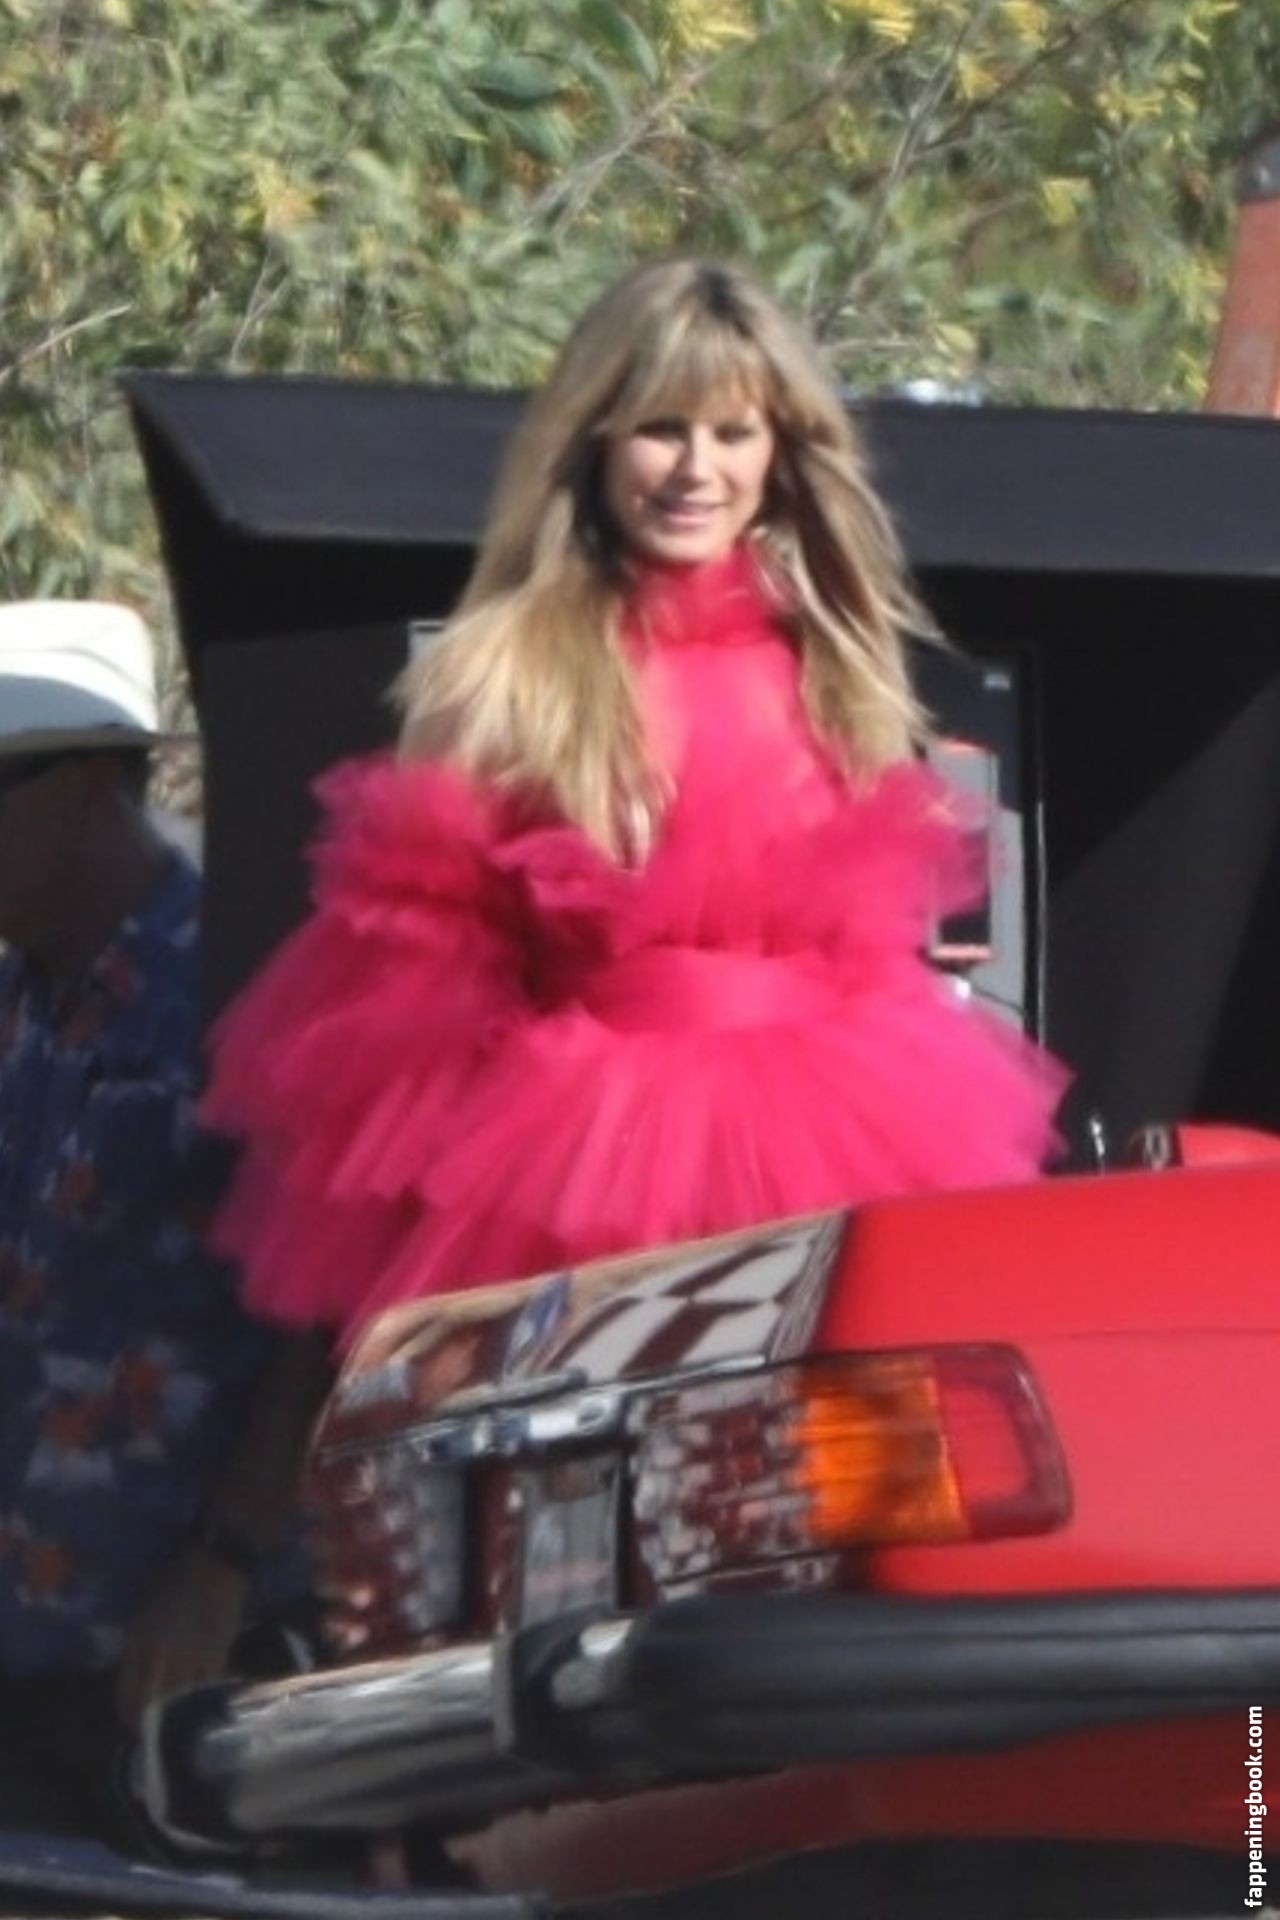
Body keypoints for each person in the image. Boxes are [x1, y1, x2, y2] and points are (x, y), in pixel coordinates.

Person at [205, 259, 1067, 1349]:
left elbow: (871, 950)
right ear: (597, 440)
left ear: (780, 452)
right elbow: (416, 989)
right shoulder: (503, 673)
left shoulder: (834, 665)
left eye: (733, 433)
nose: (697, 469)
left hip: (843, 1135)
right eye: (662, 429)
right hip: (577, 1163)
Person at [0, 600, 321, 1843]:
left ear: (86, 783)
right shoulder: (24, 999)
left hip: (184, 1650)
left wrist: (226, 1557)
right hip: (32, 1637)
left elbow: (330, 1304)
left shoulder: (243, 981)